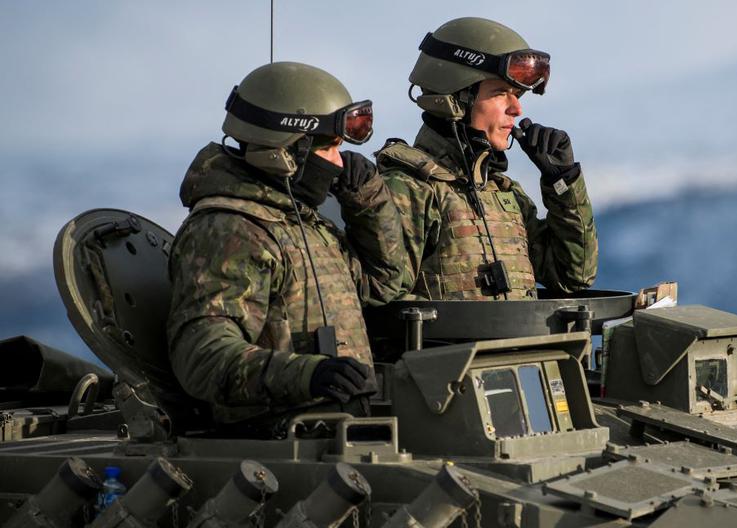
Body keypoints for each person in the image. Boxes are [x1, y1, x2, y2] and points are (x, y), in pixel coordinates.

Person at [167, 62, 405, 431]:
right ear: (284, 153)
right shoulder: (232, 231)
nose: (340, 163)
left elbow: (382, 284)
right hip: (276, 447)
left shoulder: (300, 222)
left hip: (335, 435)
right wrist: (308, 374)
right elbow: (203, 357)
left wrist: (368, 200)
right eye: (330, 148)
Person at [376, 17, 598, 301]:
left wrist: (562, 182)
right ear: (455, 99)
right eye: (500, 93)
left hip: (531, 346)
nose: (516, 108)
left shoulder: (504, 194)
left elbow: (573, 277)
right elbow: (386, 301)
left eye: (517, 95)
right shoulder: (409, 190)